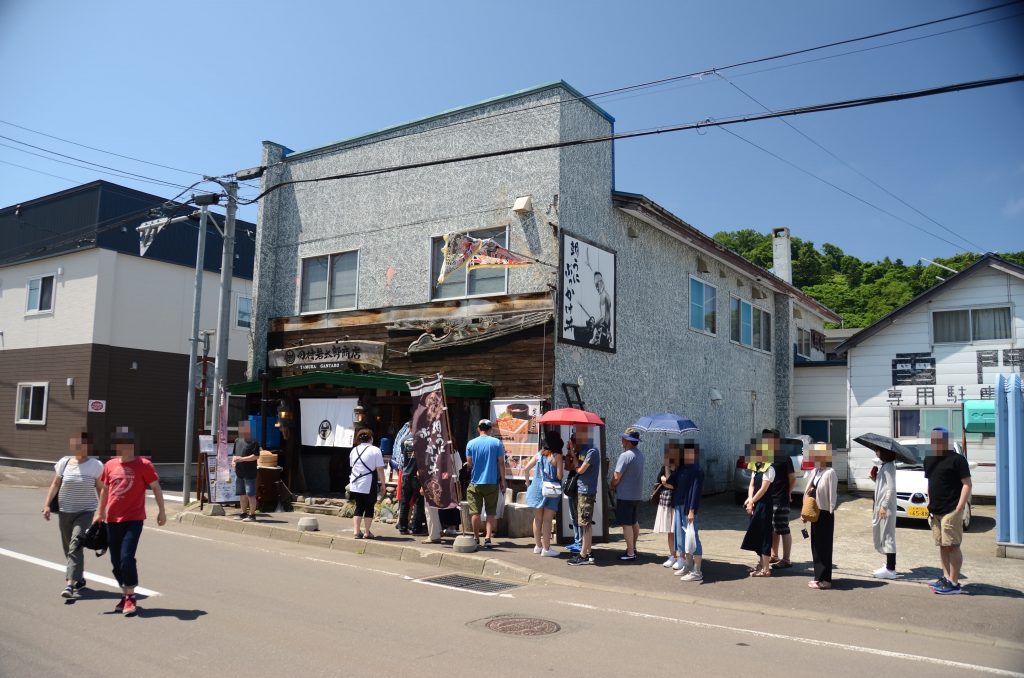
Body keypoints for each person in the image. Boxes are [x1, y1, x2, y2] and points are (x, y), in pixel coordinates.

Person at [94, 427, 166, 617]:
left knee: (126, 557)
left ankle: (130, 597)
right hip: (112, 520)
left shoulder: (144, 465)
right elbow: (104, 490)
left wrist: (162, 511)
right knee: (115, 562)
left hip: (134, 519)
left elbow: (156, 487)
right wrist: (99, 512)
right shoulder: (109, 465)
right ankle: (125, 593)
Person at [42, 431, 103, 599]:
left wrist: (101, 511)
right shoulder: (64, 462)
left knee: (75, 544)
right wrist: (47, 505)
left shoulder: (96, 465)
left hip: (85, 511)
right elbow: (55, 484)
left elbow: (101, 489)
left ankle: (69, 585)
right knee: (69, 547)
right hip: (64, 511)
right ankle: (79, 577)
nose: (81, 448)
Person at [924, 427, 972, 595]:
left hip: (951, 510)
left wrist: (959, 508)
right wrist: (929, 504)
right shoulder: (930, 459)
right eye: (933, 440)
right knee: (942, 545)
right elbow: (930, 483)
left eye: (938, 440)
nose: (935, 443)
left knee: (952, 546)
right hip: (935, 510)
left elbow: (967, 484)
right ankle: (946, 578)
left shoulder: (958, 460)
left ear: (946, 441)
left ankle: (954, 582)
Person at [465, 419, 506, 548]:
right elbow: (501, 463)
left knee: (475, 512)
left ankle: (476, 538)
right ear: (490, 429)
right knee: (490, 512)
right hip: (491, 482)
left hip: (475, 482)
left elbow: (469, 464)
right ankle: (488, 538)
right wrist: (503, 481)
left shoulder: (471, 443)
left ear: (478, 429)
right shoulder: (496, 443)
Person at [803, 443, 838, 590]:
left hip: (824, 512)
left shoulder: (830, 472)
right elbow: (808, 491)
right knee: (816, 546)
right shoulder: (815, 471)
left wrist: (830, 510)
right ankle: (818, 577)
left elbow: (832, 494)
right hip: (814, 511)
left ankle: (826, 580)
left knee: (824, 546)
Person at [522, 433, 564, 557]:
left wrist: (528, 483)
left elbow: (526, 469)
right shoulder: (558, 457)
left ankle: (538, 546)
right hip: (550, 490)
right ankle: (546, 549)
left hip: (536, 488)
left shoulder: (539, 455)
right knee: (547, 520)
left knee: (537, 519)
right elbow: (559, 476)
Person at [740, 437, 775, 577]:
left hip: (764, 505)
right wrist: (749, 501)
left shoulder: (770, 468)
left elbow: (763, 489)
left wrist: (752, 501)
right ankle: (760, 564)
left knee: (765, 534)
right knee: (756, 533)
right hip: (755, 504)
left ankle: (766, 569)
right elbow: (752, 485)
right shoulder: (756, 467)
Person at [567, 425, 600, 566]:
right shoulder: (584, 449)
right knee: (584, 522)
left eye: (580, 434)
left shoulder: (592, 451)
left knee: (585, 523)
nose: (577, 437)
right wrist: (574, 454)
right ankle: (588, 552)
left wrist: (577, 464)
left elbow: (580, 470)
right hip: (581, 490)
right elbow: (576, 466)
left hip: (586, 491)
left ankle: (583, 555)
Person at [673, 441, 705, 582]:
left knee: (693, 538)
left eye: (689, 453)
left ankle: (697, 571)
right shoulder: (682, 468)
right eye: (684, 453)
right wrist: (670, 466)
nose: (686, 455)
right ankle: (687, 565)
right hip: (679, 506)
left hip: (688, 508)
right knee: (683, 538)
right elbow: (670, 481)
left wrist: (691, 510)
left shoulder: (696, 470)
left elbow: (695, 492)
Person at [611, 429, 644, 562]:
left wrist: (612, 484)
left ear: (628, 441)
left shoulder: (625, 456)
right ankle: (633, 548)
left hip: (625, 495)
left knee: (626, 525)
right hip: (636, 494)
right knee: (634, 522)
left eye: (624, 438)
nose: (622, 440)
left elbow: (617, 476)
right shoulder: (640, 454)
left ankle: (630, 552)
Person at [766, 430, 796, 570]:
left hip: (781, 499)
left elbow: (792, 478)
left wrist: (788, 493)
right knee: (773, 528)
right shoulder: (766, 457)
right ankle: (774, 555)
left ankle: (787, 559)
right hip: (769, 499)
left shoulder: (784, 457)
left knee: (783, 528)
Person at [349, 428, 386, 540]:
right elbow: (380, 469)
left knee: (359, 506)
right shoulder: (375, 450)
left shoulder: (354, 450)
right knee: (369, 506)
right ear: (371, 438)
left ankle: (356, 531)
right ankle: (366, 532)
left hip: (355, 482)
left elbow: (352, 466)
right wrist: (383, 484)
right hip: (368, 481)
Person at [871, 448, 898, 579]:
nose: (876, 453)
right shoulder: (885, 466)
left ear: (884, 452)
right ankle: (888, 566)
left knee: (888, 537)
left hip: (886, 508)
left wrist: (884, 506)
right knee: (884, 535)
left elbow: (891, 488)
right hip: (882, 506)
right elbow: (883, 487)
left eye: (878, 451)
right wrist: (875, 479)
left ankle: (891, 569)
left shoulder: (889, 467)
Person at [654, 441, 680, 568]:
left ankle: (681, 557)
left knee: (678, 531)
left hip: (676, 502)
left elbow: (673, 484)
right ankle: (672, 555)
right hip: (666, 502)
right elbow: (660, 480)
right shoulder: (664, 467)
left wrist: (666, 481)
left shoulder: (680, 468)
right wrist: (665, 470)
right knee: (670, 531)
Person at [231, 421, 260, 522]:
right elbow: (234, 454)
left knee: (250, 494)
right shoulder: (237, 440)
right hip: (239, 472)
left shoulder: (254, 442)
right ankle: (243, 513)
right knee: (242, 494)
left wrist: (242, 459)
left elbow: (256, 456)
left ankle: (252, 515)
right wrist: (233, 462)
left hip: (250, 472)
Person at [396, 438, 425, 536]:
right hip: (417, 474)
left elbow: (403, 454)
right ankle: (416, 527)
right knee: (418, 501)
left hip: (406, 473)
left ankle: (402, 527)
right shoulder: (423, 439)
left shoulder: (404, 440)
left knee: (404, 501)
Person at [562, 435, 582, 555]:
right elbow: (567, 467)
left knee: (578, 515)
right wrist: (569, 452)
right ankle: (576, 540)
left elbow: (578, 468)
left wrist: (574, 456)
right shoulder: (572, 453)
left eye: (573, 442)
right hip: (571, 486)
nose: (572, 445)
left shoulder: (583, 454)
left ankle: (580, 542)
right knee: (573, 516)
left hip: (578, 487)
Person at [589, 271, 613, 349]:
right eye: (595, 285)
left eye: (597, 284)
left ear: (601, 282)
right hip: (606, 334)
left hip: (601, 333)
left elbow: (602, 317)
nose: (596, 287)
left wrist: (594, 325)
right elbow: (608, 319)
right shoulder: (607, 295)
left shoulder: (603, 295)